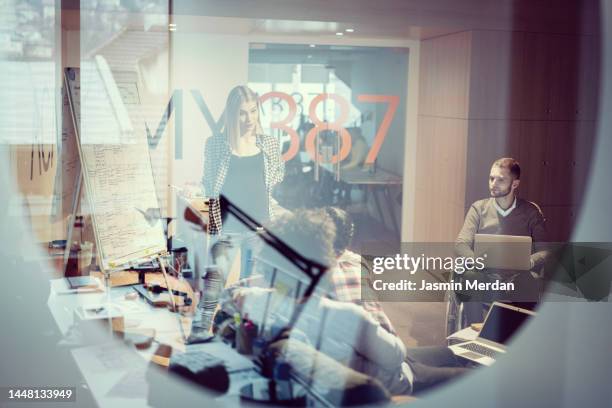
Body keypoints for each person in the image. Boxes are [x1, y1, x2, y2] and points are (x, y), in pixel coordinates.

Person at [220, 209, 469, 398]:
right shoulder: (346, 316)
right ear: (327, 266)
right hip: (394, 379)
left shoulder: (257, 301)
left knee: (448, 352)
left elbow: (232, 296)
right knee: (466, 374)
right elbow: (395, 357)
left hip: (351, 364)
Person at [191, 85, 285, 339]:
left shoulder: (268, 144)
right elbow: (210, 185)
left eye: (253, 111)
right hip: (228, 228)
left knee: (249, 291)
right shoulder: (217, 145)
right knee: (213, 285)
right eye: (243, 113)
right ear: (233, 114)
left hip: (259, 229)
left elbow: (275, 178)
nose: (249, 119)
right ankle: (199, 333)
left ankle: (240, 339)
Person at [452, 157, 549, 329]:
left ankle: (519, 337)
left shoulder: (530, 212)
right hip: (484, 276)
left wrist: (530, 261)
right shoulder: (478, 208)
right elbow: (461, 244)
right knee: (470, 278)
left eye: (501, 179)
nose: (493, 183)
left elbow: (545, 251)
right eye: (491, 178)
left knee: (529, 282)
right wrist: (475, 259)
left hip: (517, 277)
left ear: (515, 184)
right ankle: (475, 330)